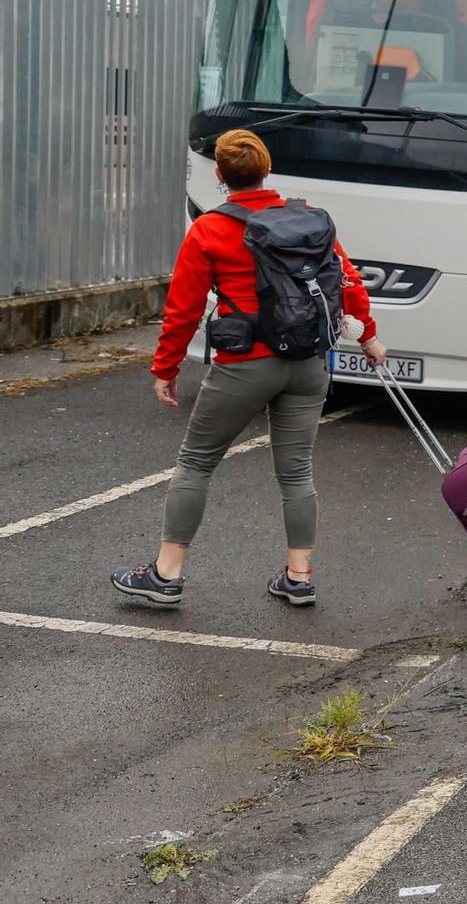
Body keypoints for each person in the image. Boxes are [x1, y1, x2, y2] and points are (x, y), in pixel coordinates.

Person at [113, 130, 385, 609]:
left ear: (220, 175)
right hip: (307, 363)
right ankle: (300, 577)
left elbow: (184, 306)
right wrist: (369, 336)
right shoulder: (308, 219)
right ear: (267, 168)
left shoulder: (210, 229)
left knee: (196, 463)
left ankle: (165, 574)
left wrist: (166, 367)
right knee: (297, 472)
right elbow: (344, 279)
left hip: (245, 365)